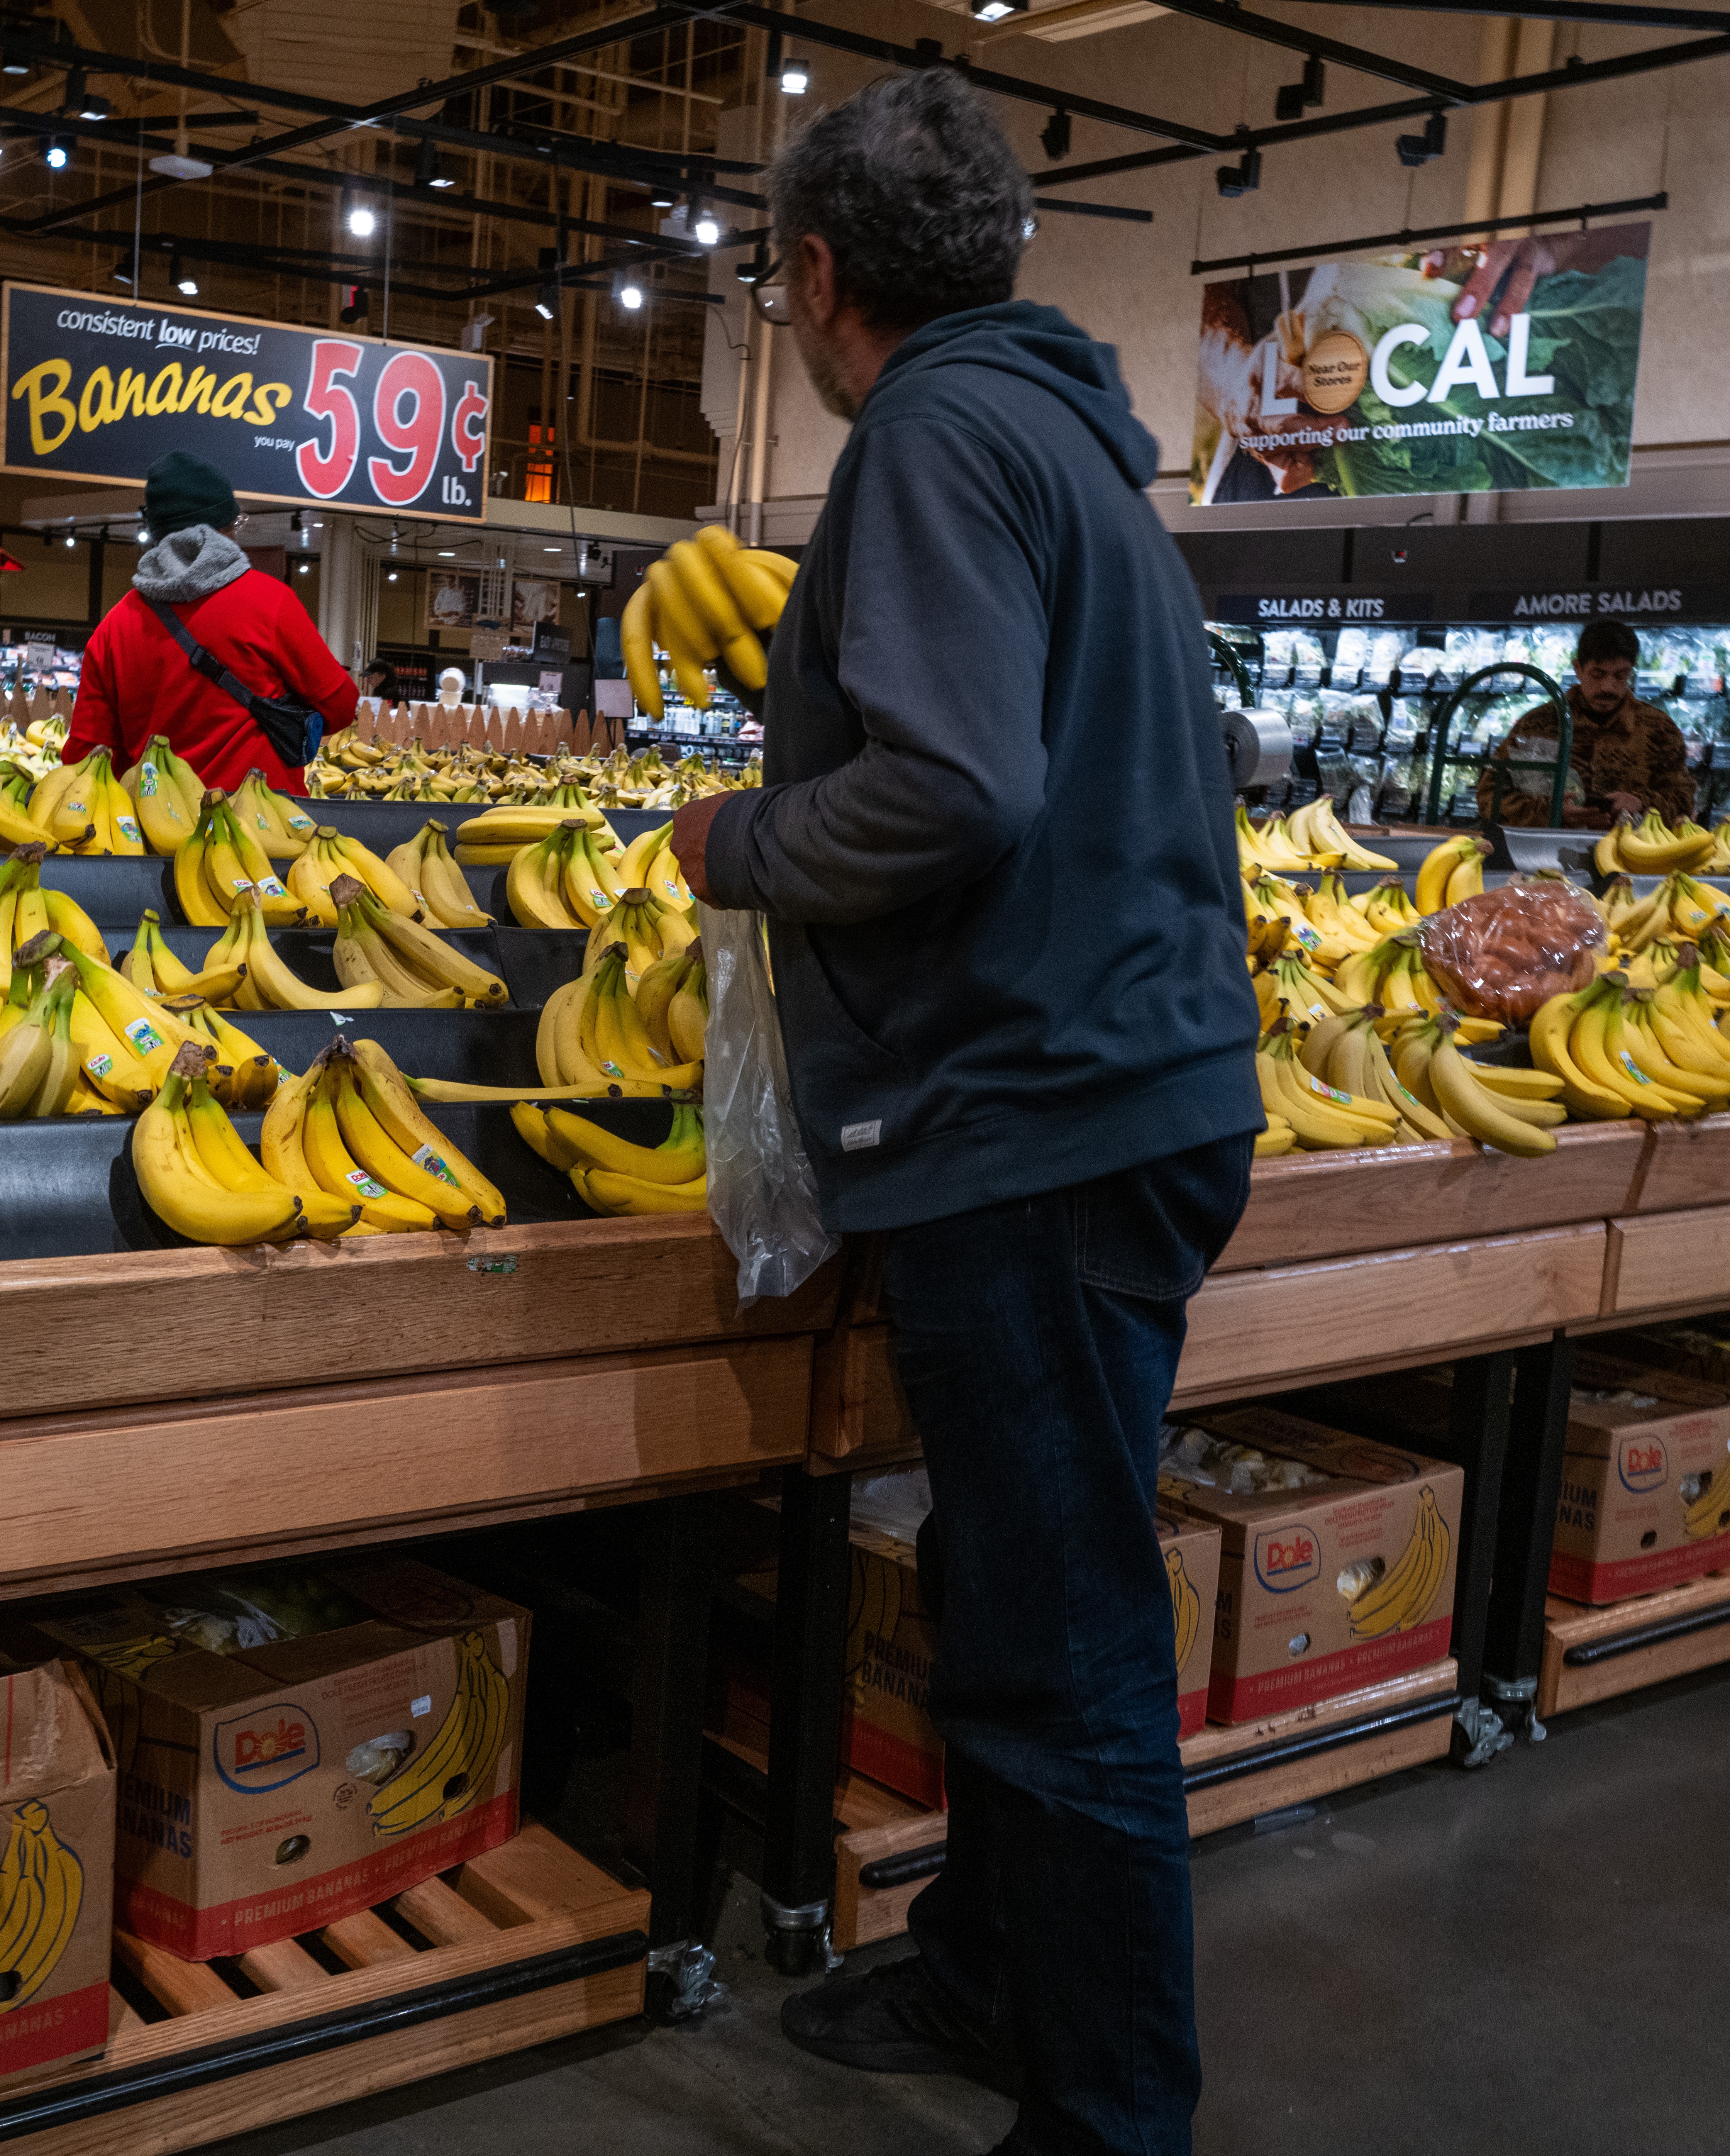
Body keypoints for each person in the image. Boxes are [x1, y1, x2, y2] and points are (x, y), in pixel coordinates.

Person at [666, 69, 1259, 2156]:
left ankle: (1112, 2115)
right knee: (1026, 1603)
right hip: (1111, 1099)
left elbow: (952, 786)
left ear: (817, 275)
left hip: (1044, 1124)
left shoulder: (926, 440)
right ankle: (992, 1973)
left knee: (1067, 1640)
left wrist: (740, 840)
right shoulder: (1072, 442)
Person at [60, 451, 356, 792]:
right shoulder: (270, 602)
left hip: (152, 828)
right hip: (261, 826)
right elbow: (340, 706)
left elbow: (85, 755)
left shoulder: (113, 628)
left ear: (156, 534)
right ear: (226, 528)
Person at [1476, 619, 1694, 829]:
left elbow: (1685, 801)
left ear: (1632, 671)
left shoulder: (1660, 730)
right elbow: (1490, 793)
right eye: (1597, 675)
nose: (1608, 687)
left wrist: (1641, 804)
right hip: (1548, 855)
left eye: (1620, 675)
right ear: (1578, 669)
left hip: (1633, 856)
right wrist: (1551, 813)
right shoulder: (1537, 725)